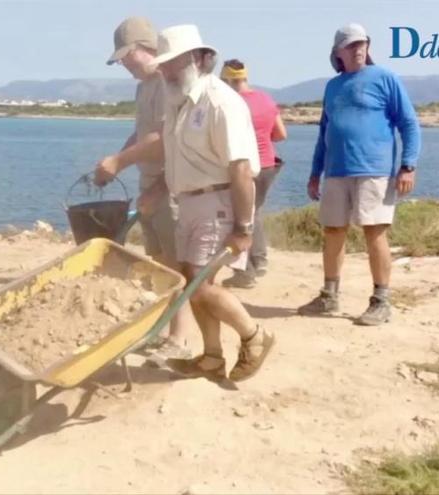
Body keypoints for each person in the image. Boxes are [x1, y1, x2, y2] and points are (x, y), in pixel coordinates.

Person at [97, 25, 276, 383]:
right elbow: (180, 160)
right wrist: (158, 191)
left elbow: (241, 169)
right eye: (162, 64)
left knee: (200, 283)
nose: (163, 70)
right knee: (191, 280)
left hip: (216, 203)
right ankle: (211, 356)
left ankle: (254, 336)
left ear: (196, 59)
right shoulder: (179, 101)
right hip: (190, 202)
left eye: (170, 63)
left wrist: (244, 228)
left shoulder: (220, 102)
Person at [299, 23, 421, 326]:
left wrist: (407, 165)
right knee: (333, 231)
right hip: (336, 171)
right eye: (351, 45)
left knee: (374, 231)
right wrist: (316, 172)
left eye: (362, 43)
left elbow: (409, 123)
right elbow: (323, 133)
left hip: (374, 170)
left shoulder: (385, 78)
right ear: (338, 52)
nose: (358, 48)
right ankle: (329, 295)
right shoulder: (333, 86)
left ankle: (381, 301)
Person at [93, 17, 192, 359]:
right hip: (150, 180)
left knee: (177, 264)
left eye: (125, 56)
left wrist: (120, 163)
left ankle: (180, 339)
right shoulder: (142, 87)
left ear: (143, 48)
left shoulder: (167, 82)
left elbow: (165, 140)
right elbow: (141, 134)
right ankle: (162, 330)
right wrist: (118, 157)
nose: (122, 64)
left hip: (171, 182)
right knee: (159, 261)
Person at [219, 59, 287, 288]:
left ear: (228, 80)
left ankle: (245, 272)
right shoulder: (266, 99)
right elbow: (281, 133)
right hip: (269, 165)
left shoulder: (230, 103)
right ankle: (260, 261)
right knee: (254, 212)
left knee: (239, 216)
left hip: (244, 167)